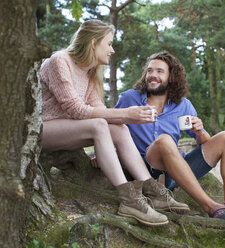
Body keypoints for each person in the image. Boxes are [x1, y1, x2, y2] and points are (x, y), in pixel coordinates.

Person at [40, 20, 189, 227]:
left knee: (118, 127)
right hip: (42, 129)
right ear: (93, 43)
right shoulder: (60, 61)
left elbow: (99, 110)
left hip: (65, 129)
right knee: (100, 125)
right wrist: (127, 113)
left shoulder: (90, 73)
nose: (112, 50)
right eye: (108, 43)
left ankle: (153, 191)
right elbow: (75, 110)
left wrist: (129, 118)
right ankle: (130, 201)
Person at [115, 51, 225, 230]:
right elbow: (111, 125)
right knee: (164, 140)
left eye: (160, 71)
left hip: (176, 172)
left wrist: (199, 131)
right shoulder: (130, 98)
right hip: (146, 171)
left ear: (172, 77)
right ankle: (210, 206)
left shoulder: (183, 105)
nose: (152, 75)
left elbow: (205, 142)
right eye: (150, 71)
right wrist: (100, 153)